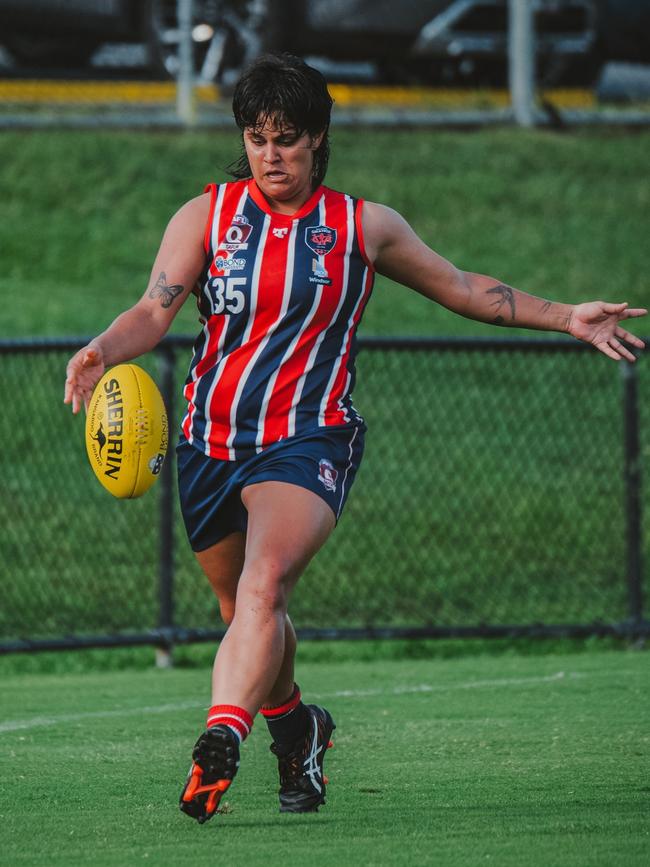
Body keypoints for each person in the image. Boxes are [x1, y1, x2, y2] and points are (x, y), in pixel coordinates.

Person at [64, 53, 646, 824]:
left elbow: (465, 287)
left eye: (288, 138)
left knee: (262, 587)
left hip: (309, 438)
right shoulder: (207, 216)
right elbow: (154, 308)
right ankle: (298, 727)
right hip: (209, 440)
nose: (272, 154)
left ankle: (220, 736)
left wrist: (566, 314)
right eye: (258, 137)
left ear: (318, 138)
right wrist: (105, 346)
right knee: (241, 610)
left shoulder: (359, 226)